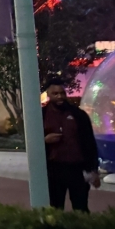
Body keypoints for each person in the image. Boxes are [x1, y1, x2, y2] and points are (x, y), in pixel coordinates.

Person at [42, 77, 100, 212]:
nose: (59, 96)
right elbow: (32, 142)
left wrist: (93, 170)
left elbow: (89, 142)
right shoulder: (42, 115)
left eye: (62, 93)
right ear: (48, 95)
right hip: (53, 169)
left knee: (80, 207)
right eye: (55, 94)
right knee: (54, 208)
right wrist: (44, 140)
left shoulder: (78, 115)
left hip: (77, 169)